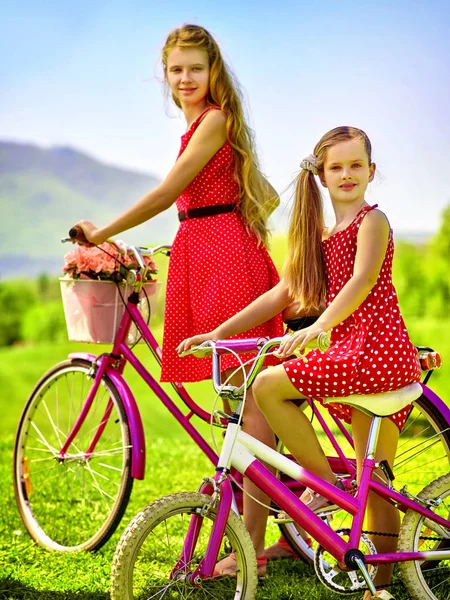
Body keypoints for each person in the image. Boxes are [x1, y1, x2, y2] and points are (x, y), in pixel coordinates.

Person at [72, 24, 283, 577]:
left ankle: (252, 549)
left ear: (213, 71)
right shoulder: (196, 125)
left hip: (224, 257)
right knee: (237, 399)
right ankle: (256, 527)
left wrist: (102, 235)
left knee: (248, 397)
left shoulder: (213, 119)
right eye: (176, 69)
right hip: (203, 249)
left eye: (195, 67)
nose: (185, 78)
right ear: (164, 75)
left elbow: (168, 192)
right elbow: (194, 200)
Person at [178, 125, 422, 596]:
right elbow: (282, 293)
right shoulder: (321, 234)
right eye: (337, 167)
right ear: (323, 176)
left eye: (356, 166)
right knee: (375, 479)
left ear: (371, 172)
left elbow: (362, 281)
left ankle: (336, 507)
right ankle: (334, 493)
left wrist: (317, 326)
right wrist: (220, 331)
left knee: (271, 386)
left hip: (376, 351)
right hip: (352, 354)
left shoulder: (373, 221)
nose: (347, 174)